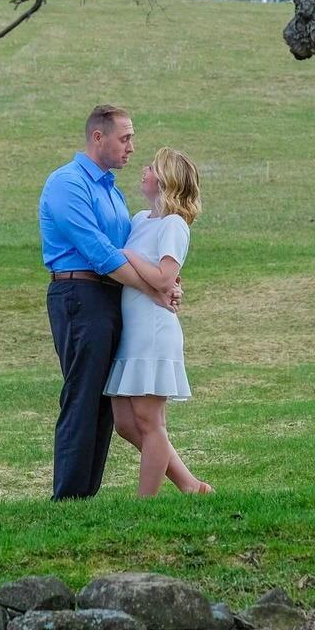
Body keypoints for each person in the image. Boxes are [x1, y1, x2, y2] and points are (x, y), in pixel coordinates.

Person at [39, 105, 174, 499]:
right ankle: (67, 497)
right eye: (125, 137)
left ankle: (86, 496)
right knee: (83, 394)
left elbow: (131, 251)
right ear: (99, 138)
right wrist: (155, 290)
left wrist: (166, 281)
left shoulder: (110, 190)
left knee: (103, 399)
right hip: (78, 295)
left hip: (111, 295)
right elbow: (100, 253)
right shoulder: (67, 183)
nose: (131, 147)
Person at [105, 148, 213, 496]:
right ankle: (190, 485)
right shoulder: (139, 220)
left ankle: (145, 503)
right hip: (132, 332)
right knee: (124, 422)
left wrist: (126, 254)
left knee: (151, 423)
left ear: (165, 182)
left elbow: (166, 278)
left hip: (154, 331)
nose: (144, 169)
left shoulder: (175, 225)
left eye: (152, 167)